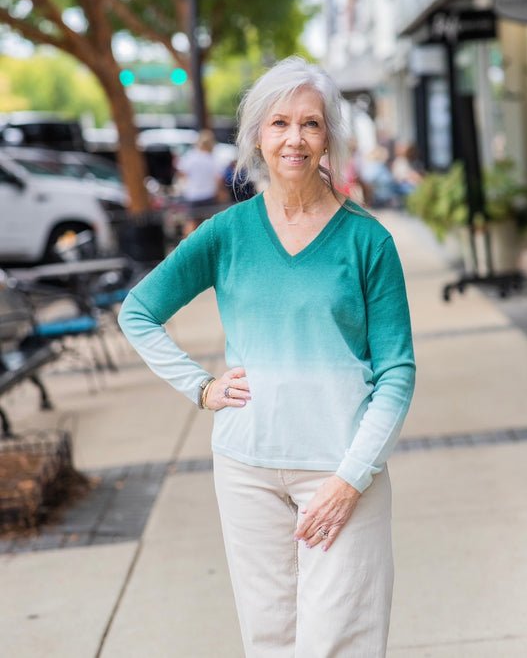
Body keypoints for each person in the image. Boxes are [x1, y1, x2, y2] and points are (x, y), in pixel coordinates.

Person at [118, 56, 416, 658]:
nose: (295, 138)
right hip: (246, 470)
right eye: (279, 123)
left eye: (310, 123)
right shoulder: (226, 233)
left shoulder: (367, 240)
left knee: (338, 645)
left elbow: (397, 373)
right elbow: (137, 312)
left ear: (327, 135)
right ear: (259, 135)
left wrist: (350, 478)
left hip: (339, 470)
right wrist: (200, 387)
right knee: (270, 644)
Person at [177, 128, 225, 235]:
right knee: (208, 224)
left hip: (193, 195)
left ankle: (189, 250)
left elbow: (182, 173)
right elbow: (218, 179)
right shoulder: (211, 159)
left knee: (191, 223)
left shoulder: (191, 156)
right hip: (208, 195)